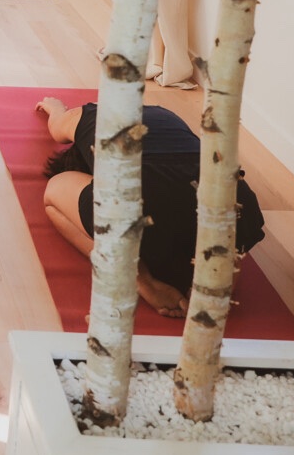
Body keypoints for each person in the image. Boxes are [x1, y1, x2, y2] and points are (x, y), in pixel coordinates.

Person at [33, 97, 266, 318]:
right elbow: (58, 127)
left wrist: (55, 109)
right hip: (232, 197)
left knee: (54, 191)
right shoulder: (160, 114)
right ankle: (215, 289)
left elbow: (57, 129)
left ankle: (143, 282)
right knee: (229, 213)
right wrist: (56, 107)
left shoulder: (90, 115)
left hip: (144, 201)